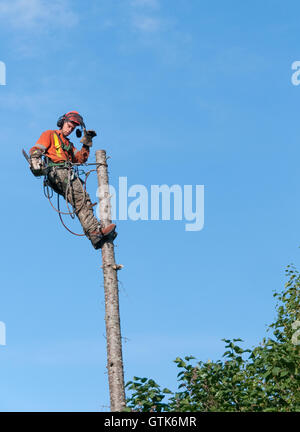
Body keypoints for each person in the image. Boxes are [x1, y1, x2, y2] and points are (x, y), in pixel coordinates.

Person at [29, 111, 116, 249]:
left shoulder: (69, 145)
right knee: (81, 198)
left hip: (64, 174)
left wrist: (86, 143)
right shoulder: (50, 134)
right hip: (57, 172)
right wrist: (35, 159)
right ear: (63, 122)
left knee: (82, 199)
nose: (70, 130)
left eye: (73, 128)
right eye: (69, 126)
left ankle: (94, 235)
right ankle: (94, 232)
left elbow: (80, 158)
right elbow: (36, 149)